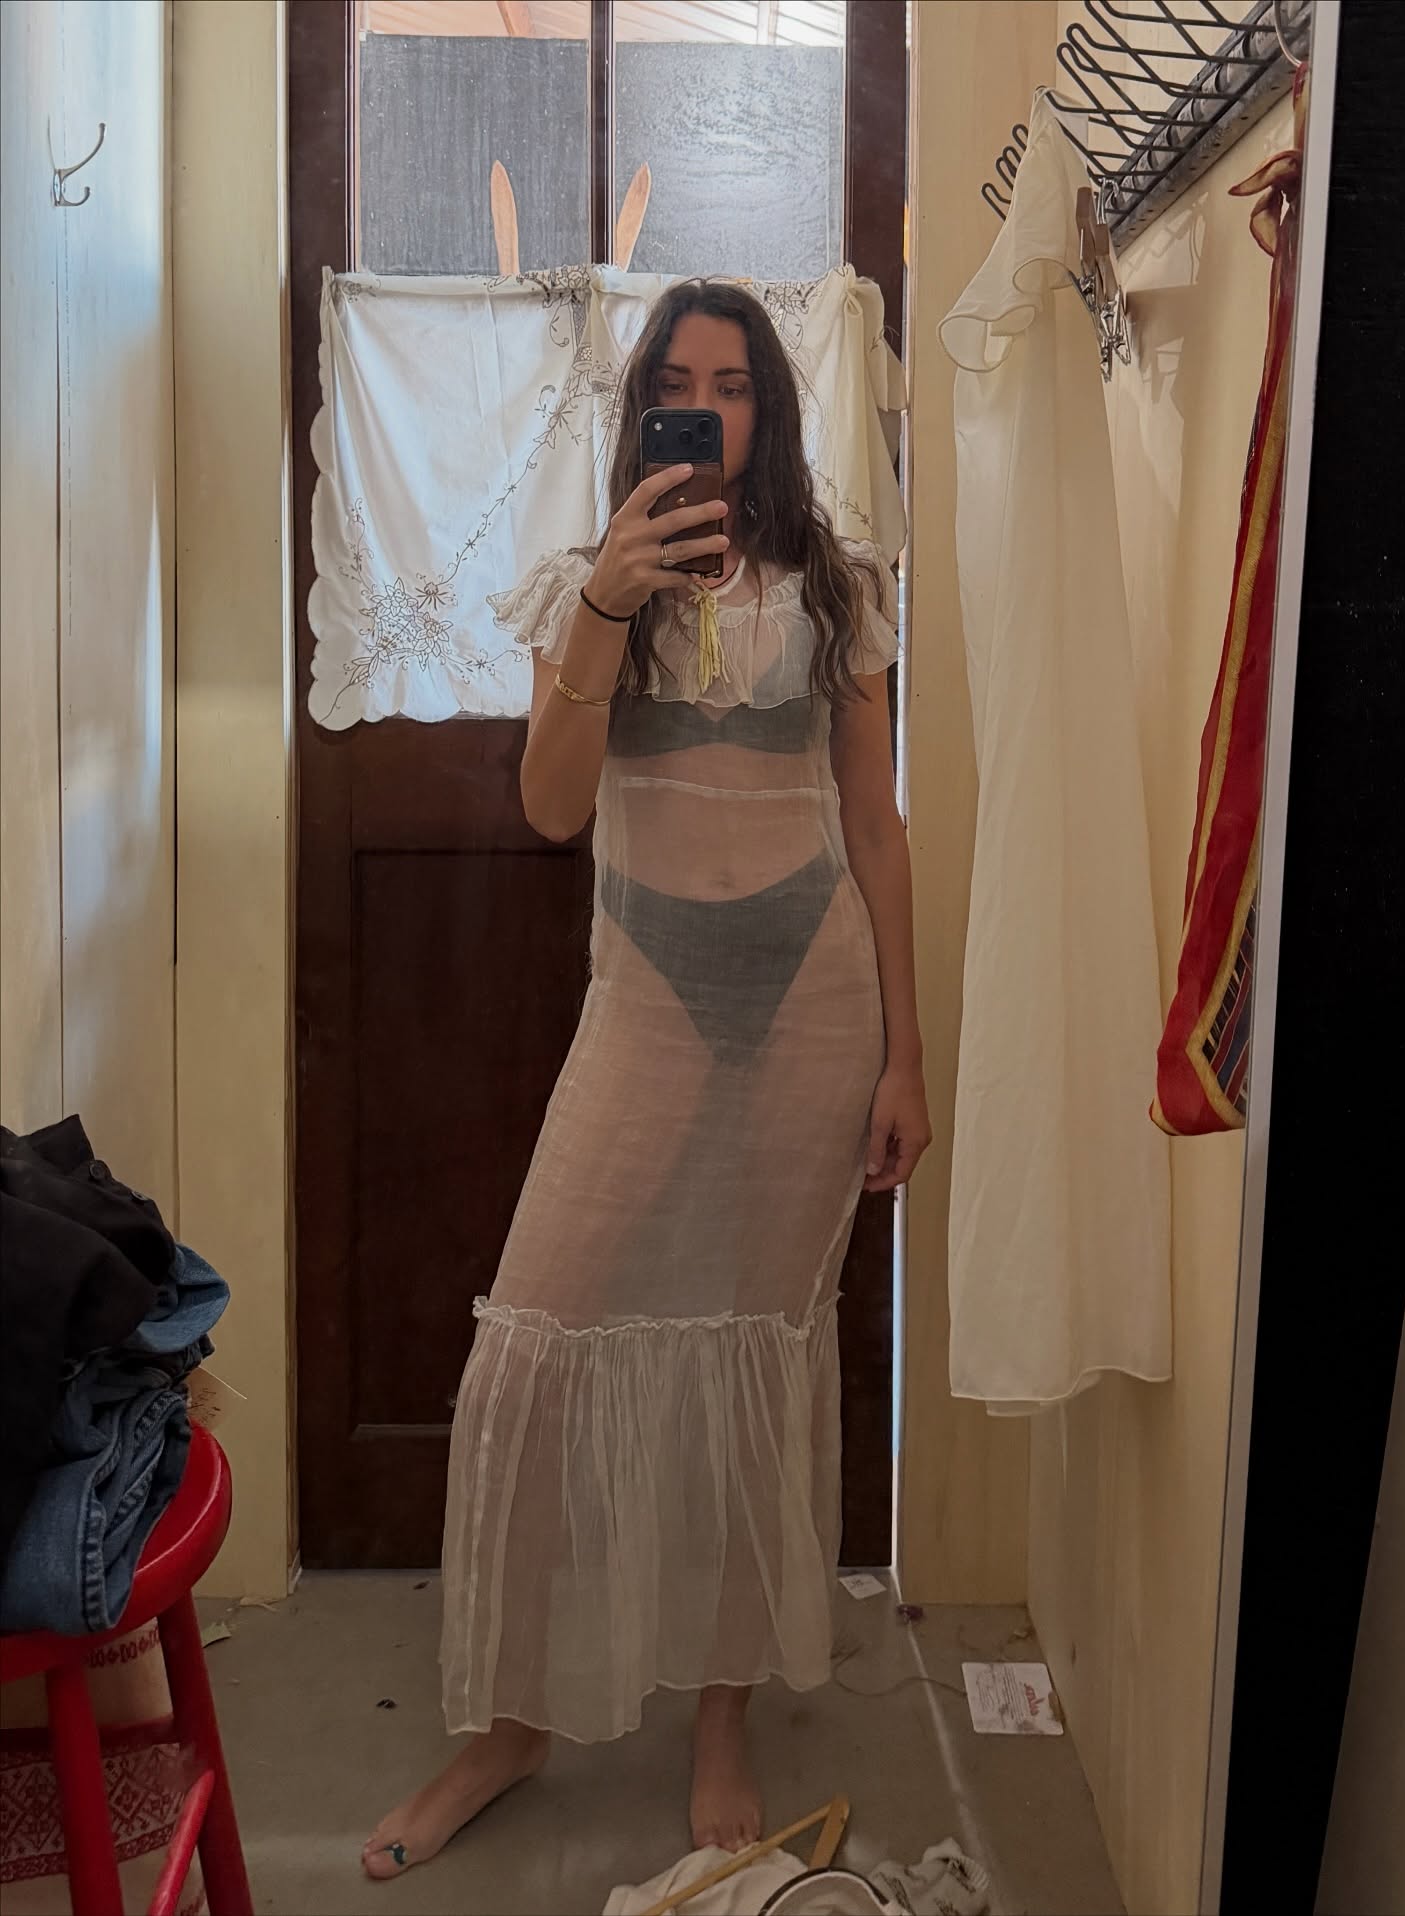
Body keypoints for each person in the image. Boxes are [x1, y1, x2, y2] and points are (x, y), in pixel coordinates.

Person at [363, 280, 931, 1881]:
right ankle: (512, 1723)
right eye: (681, 383)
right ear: (644, 411)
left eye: (734, 385)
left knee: (760, 1348)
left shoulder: (839, 588)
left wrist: (908, 1052)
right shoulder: (589, 580)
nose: (709, 409)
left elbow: (874, 825)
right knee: (539, 1339)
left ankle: (721, 1715)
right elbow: (553, 807)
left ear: (770, 409)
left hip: (813, 1005)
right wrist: (606, 608)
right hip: (653, 1004)